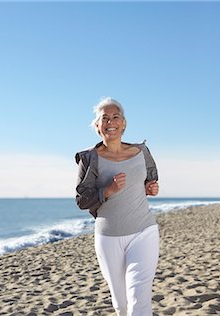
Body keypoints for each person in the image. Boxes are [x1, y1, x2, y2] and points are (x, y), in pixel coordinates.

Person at [75, 97, 160, 316]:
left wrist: (150, 188)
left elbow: (149, 181)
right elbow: (82, 200)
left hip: (144, 231)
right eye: (105, 118)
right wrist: (107, 191)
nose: (110, 122)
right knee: (121, 305)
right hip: (108, 236)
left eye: (115, 117)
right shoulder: (89, 159)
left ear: (123, 123)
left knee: (138, 299)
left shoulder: (142, 152)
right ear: (97, 126)